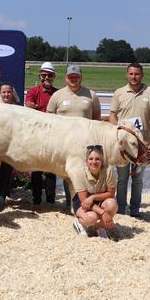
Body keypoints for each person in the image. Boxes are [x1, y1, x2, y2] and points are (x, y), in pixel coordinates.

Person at [108, 62, 150, 217]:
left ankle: (135, 210)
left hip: (142, 145)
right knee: (122, 179)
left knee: (138, 179)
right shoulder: (119, 93)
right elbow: (112, 115)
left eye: (137, 74)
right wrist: (115, 134)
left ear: (141, 75)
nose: (134, 77)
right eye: (131, 74)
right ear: (126, 75)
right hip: (123, 145)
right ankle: (122, 209)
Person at [47, 65, 101, 209]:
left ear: (81, 77)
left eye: (76, 76)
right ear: (66, 78)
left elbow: (96, 118)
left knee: (87, 171)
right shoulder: (57, 96)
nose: (73, 79)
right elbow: (49, 118)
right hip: (63, 142)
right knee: (67, 173)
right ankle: (71, 202)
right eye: (71, 76)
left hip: (86, 143)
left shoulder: (91, 95)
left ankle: (86, 202)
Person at [25, 62, 58, 205]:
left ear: (54, 77)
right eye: (44, 75)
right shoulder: (33, 91)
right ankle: (36, 198)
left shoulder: (57, 93)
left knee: (52, 167)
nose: (46, 78)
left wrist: (38, 109)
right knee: (36, 167)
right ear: (40, 76)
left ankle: (50, 199)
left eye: (49, 76)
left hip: (52, 134)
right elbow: (29, 104)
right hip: (37, 134)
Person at [72, 145, 119, 239]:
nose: (94, 162)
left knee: (112, 205)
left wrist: (93, 197)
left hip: (99, 199)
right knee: (91, 218)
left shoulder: (109, 170)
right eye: (91, 159)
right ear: (86, 161)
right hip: (82, 202)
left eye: (97, 159)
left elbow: (111, 193)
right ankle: (79, 223)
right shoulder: (79, 172)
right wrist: (103, 213)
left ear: (102, 161)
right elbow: (84, 201)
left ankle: (99, 227)